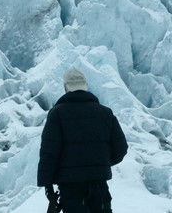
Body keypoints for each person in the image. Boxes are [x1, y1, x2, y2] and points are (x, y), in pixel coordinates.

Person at [37, 68, 128, 213]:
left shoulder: (57, 114)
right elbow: (121, 148)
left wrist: (48, 186)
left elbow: (49, 152)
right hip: (100, 187)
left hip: (71, 190)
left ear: (66, 87)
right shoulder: (105, 113)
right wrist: (99, 164)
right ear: (85, 86)